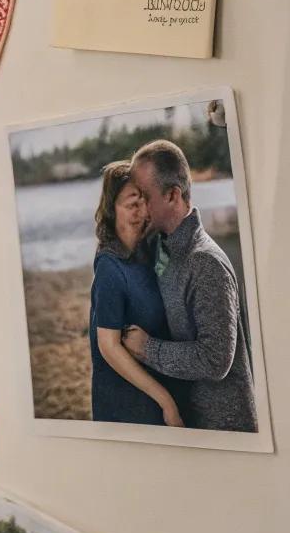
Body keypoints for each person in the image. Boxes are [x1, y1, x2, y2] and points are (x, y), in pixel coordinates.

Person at [124, 140, 258, 433]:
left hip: (224, 430)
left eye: (143, 196)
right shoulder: (161, 245)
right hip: (190, 423)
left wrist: (148, 349)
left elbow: (215, 360)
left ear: (172, 195)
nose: (137, 206)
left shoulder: (205, 263)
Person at [89, 161, 183, 427]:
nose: (142, 213)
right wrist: (166, 402)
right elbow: (108, 346)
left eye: (145, 201)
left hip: (155, 394)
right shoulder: (110, 267)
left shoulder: (148, 251)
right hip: (128, 406)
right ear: (111, 211)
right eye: (132, 205)